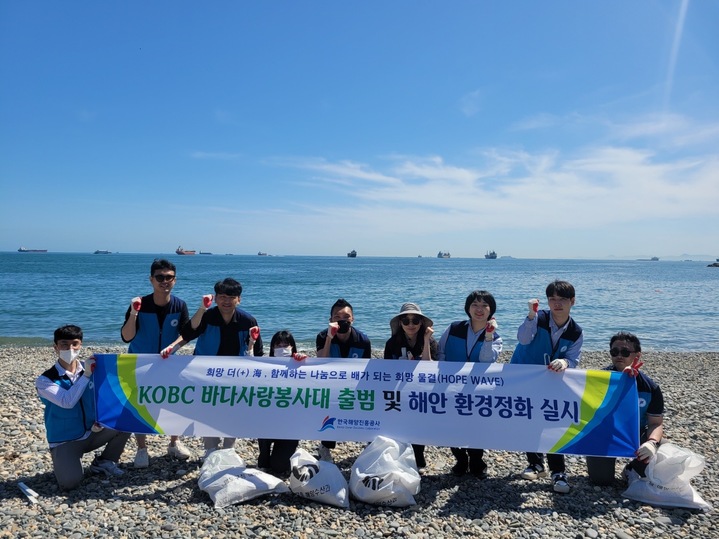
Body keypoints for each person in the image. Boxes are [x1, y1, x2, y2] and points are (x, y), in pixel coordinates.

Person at [35, 325, 131, 490]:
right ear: (55, 347)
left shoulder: (93, 370)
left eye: (75, 344)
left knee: (126, 420)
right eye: (64, 344)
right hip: (65, 440)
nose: (70, 348)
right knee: (70, 483)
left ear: (81, 345)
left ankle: (105, 462)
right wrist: (86, 375)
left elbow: (106, 396)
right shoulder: (45, 380)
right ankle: (63, 459)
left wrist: (101, 418)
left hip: (92, 432)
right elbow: (67, 401)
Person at [510, 279, 583, 494]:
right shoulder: (538, 317)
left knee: (553, 422)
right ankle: (535, 464)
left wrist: (565, 362)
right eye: (552, 299)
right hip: (523, 377)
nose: (557, 304)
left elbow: (573, 358)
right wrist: (531, 316)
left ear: (572, 301)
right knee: (528, 420)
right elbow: (523, 339)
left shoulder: (576, 332)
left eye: (562, 300)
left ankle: (558, 472)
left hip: (551, 380)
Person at [120, 258, 192, 467]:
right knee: (139, 403)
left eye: (169, 277)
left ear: (175, 280)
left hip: (169, 362)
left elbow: (186, 334)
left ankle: (174, 442)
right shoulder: (140, 304)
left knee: (175, 402)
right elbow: (126, 336)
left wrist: (174, 347)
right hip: (139, 362)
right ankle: (142, 449)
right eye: (160, 277)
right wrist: (134, 312)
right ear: (151, 279)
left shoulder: (179, 305)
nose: (164, 281)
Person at [181, 277, 263, 458]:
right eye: (222, 296)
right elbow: (188, 332)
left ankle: (228, 450)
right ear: (215, 298)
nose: (226, 301)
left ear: (239, 299)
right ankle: (210, 450)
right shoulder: (207, 316)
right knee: (207, 411)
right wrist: (202, 308)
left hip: (235, 376)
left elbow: (257, 351)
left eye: (231, 297)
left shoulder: (247, 320)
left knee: (232, 412)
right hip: (205, 374)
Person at [437, 290, 502, 479]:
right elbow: (441, 352)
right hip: (451, 385)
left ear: (491, 310)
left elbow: (486, 361)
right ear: (468, 308)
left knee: (476, 424)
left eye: (484, 306)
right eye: (475, 304)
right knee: (452, 423)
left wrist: (488, 335)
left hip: (477, 388)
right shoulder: (454, 327)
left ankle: (477, 460)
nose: (479, 309)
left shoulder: (495, 337)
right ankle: (460, 459)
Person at [586, 332, 664, 485]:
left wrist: (652, 443)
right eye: (615, 352)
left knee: (661, 452)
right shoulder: (599, 380)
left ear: (637, 355)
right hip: (605, 434)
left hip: (635, 435)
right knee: (601, 481)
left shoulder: (650, 388)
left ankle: (632, 468)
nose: (619, 356)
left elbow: (656, 423)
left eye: (625, 352)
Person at [315, 298, 372, 462]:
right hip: (330, 386)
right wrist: (329, 338)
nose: (342, 320)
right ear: (331, 320)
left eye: (346, 316)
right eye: (337, 317)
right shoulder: (322, 336)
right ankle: (325, 446)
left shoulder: (363, 340)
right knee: (328, 412)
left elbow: (366, 370)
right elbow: (321, 363)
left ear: (352, 319)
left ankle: (369, 444)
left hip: (353, 385)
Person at [383, 302, 437, 471]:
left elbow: (430, 367)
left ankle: (419, 458)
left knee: (419, 424)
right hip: (399, 390)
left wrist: (427, 340)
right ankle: (401, 456)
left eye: (415, 320)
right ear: (400, 323)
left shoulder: (431, 342)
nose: (411, 325)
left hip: (422, 391)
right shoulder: (392, 343)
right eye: (406, 321)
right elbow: (386, 370)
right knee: (400, 424)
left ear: (421, 323)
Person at [257, 330, 307, 475]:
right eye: (279, 344)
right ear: (272, 347)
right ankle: (263, 458)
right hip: (269, 421)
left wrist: (304, 362)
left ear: (293, 347)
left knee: (280, 467)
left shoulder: (300, 365)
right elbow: (248, 371)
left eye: (286, 344)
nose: (283, 347)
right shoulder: (266, 367)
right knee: (263, 427)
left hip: (290, 425)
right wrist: (252, 344)